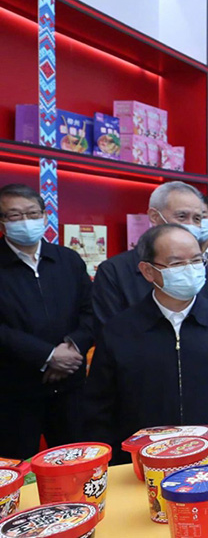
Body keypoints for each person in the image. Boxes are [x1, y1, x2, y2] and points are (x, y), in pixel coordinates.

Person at [84, 224, 208, 461]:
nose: (190, 269)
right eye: (177, 263)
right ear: (148, 271)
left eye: (197, 260)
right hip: (141, 463)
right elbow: (99, 407)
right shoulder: (119, 331)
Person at [0, 184, 93, 459]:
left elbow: (91, 311)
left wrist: (72, 349)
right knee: (14, 468)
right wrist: (48, 356)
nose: (25, 221)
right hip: (14, 391)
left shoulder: (68, 260)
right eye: (15, 215)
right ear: (2, 222)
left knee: (77, 464)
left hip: (71, 389)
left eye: (32, 213)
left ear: (44, 216)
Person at [92, 181, 208, 330]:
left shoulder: (206, 270)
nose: (190, 225)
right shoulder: (114, 271)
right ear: (154, 216)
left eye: (197, 219)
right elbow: (110, 334)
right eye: (182, 216)